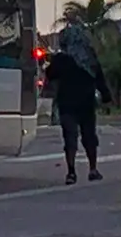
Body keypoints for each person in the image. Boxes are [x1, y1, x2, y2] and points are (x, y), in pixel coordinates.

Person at [45, 25, 105, 185]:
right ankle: (93, 169)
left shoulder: (60, 59)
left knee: (70, 137)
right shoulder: (89, 57)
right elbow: (99, 77)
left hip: (66, 103)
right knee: (89, 136)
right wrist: (106, 97)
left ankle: (71, 172)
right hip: (86, 103)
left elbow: (50, 75)